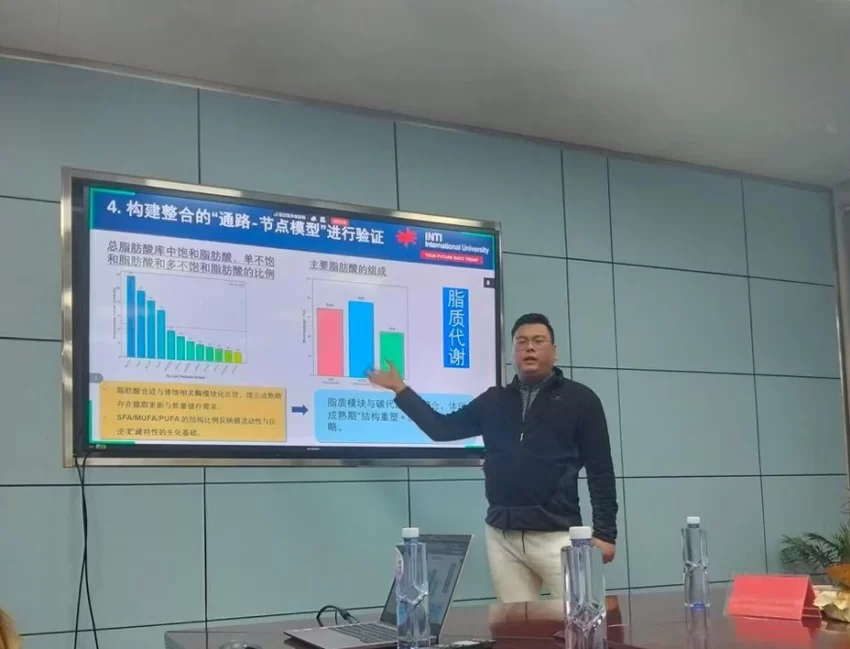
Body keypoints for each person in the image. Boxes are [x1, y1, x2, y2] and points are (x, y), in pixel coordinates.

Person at [368, 312, 617, 602]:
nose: (529, 347)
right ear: (513, 353)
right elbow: (441, 428)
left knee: (583, 617)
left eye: (538, 341)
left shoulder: (581, 400)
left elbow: (600, 470)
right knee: (517, 626)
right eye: (521, 342)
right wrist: (400, 390)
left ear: (554, 351)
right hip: (502, 538)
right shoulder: (493, 400)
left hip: (558, 536)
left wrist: (605, 533)